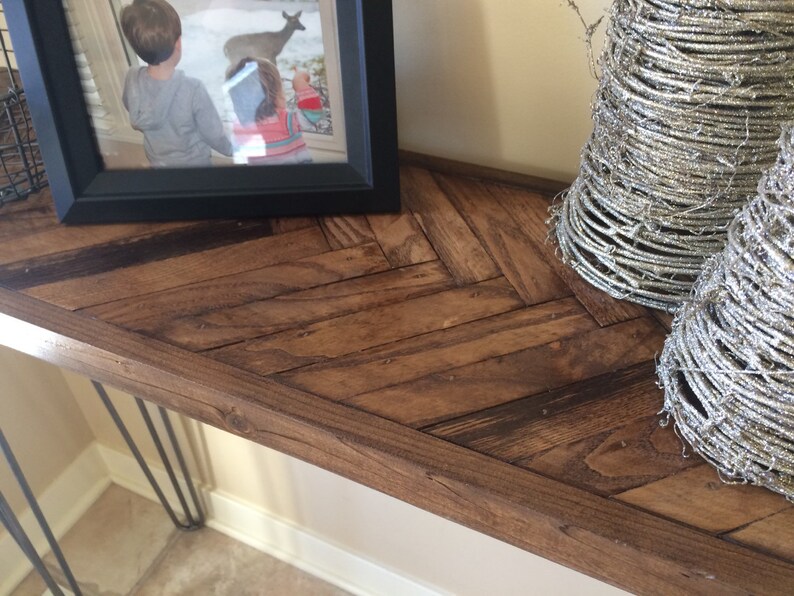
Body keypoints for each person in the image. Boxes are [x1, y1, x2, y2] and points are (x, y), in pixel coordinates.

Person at [120, 0, 232, 167]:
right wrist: (236, 149)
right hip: (196, 168)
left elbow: (130, 105)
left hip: (158, 163)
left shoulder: (132, 77)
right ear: (178, 43)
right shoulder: (193, 89)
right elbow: (214, 134)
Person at [224, 57, 322, 165]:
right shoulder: (286, 122)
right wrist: (299, 83)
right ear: (275, 93)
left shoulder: (240, 128)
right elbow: (313, 114)